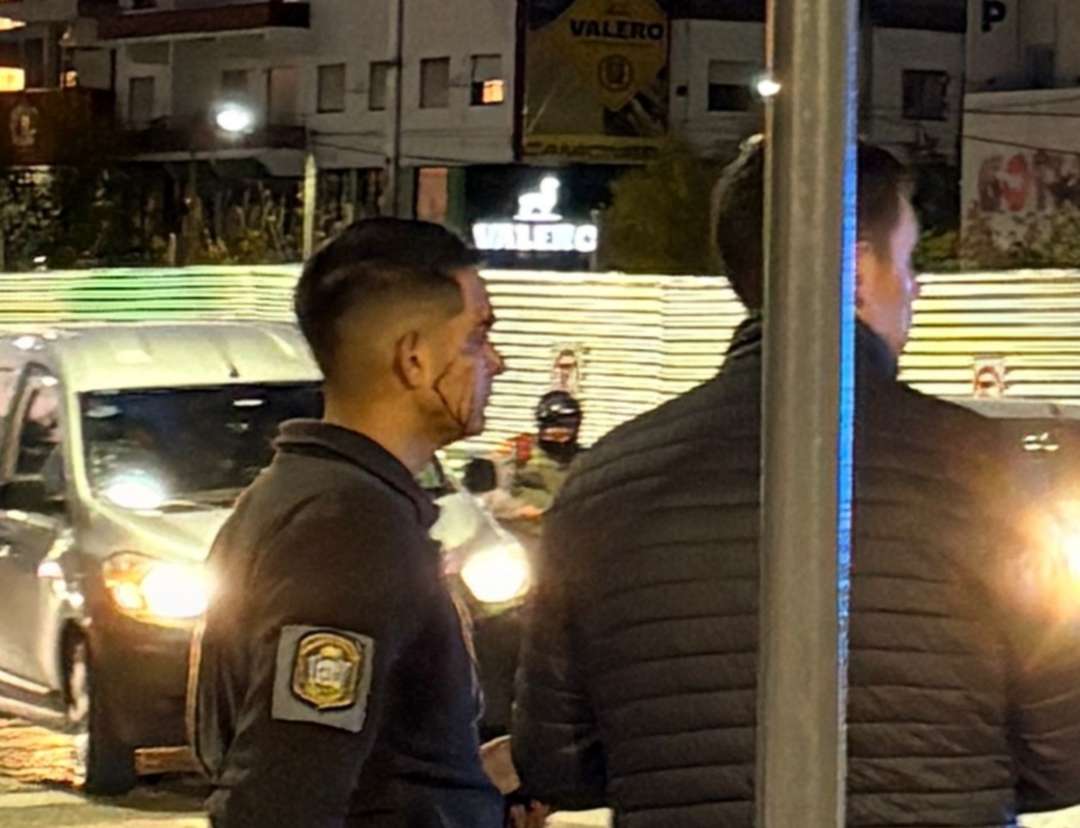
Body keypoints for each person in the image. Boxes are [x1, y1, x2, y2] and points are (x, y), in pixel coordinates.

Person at [511, 139, 1080, 826]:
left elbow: (558, 764)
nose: (916, 289)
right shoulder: (990, 471)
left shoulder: (604, 485)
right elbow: (1063, 754)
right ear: (858, 270)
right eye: (909, 262)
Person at [190, 218, 508, 827]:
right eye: (477, 337)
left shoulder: (309, 499)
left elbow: (373, 768)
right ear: (414, 359)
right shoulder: (348, 529)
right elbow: (283, 797)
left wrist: (473, 786)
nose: (497, 361)